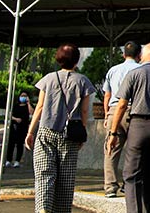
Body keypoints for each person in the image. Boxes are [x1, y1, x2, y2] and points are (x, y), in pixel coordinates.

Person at [106, 43, 150, 213]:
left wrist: (113, 132)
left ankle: (134, 210)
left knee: (132, 173)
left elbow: (122, 104)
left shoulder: (134, 74)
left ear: (143, 56)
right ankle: (148, 210)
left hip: (137, 125)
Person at [25, 44, 96, 213]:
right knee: (66, 177)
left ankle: (43, 208)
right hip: (70, 134)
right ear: (76, 60)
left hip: (46, 130)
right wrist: (82, 131)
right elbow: (84, 111)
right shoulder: (83, 81)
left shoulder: (48, 79)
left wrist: (30, 131)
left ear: (58, 59)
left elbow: (40, 107)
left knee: (44, 173)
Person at [103, 40, 142, 198]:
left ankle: (110, 186)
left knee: (111, 149)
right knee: (133, 150)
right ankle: (128, 184)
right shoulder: (141, 69)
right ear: (139, 55)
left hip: (115, 110)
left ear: (124, 54)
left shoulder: (113, 70)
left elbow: (107, 95)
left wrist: (107, 114)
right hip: (136, 111)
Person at [5, 91, 34, 167]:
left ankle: (17, 160)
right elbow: (9, 114)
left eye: (25, 96)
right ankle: (8, 160)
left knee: (20, 144)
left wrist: (28, 103)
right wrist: (15, 119)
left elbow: (31, 112)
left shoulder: (28, 106)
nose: (23, 97)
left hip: (23, 127)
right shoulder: (15, 105)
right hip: (14, 126)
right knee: (11, 144)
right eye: (22, 96)